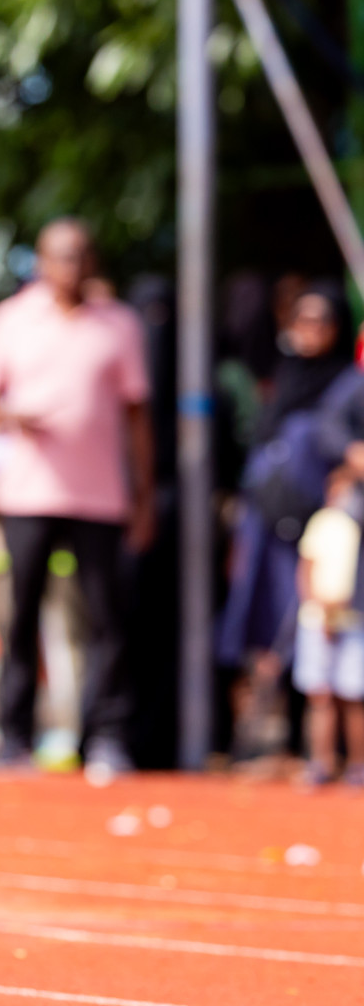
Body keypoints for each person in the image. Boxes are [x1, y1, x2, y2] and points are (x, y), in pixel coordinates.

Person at [0, 219, 155, 780]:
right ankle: (14, 737)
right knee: (20, 615)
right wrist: (14, 418)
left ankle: (102, 738)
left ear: (91, 261)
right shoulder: (9, 319)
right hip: (26, 491)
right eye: (59, 256)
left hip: (99, 494)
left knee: (106, 620)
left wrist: (144, 495)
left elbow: (137, 415)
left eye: (79, 256)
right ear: (42, 262)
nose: (69, 267)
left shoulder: (119, 324)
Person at [219, 284, 355, 760]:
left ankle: (318, 748)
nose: (309, 331)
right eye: (302, 319)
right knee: (266, 629)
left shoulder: (345, 386)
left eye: (321, 321)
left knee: (316, 629)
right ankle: (257, 742)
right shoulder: (281, 377)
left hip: (317, 531)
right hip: (266, 527)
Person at [293, 471, 364, 788]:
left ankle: (357, 766)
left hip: (352, 622)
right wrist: (321, 612)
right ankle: (320, 764)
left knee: (353, 698)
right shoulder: (321, 522)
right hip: (317, 621)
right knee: (320, 697)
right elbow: (305, 571)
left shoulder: (358, 526)